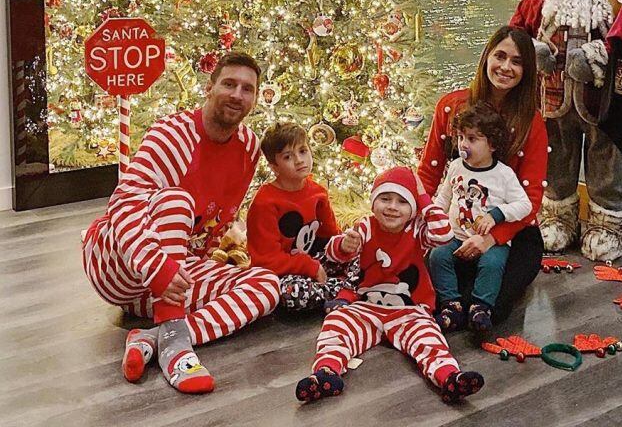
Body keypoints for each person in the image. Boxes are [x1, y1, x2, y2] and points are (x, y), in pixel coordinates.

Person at [81, 52, 280, 394]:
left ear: (255, 99)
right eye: (229, 84)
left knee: (266, 285)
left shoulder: (248, 147)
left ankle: (159, 336)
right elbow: (125, 204)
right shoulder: (172, 135)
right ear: (209, 87)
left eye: (247, 89)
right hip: (120, 262)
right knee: (176, 200)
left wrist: (181, 272)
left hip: (173, 273)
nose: (237, 94)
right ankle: (175, 350)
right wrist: (156, 269)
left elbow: (218, 222)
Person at [510, 0, 622, 261]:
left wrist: (599, 55)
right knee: (554, 161)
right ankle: (556, 218)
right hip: (553, 103)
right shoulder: (541, 2)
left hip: (604, 106)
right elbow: (515, 32)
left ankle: (609, 226)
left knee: (609, 164)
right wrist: (532, 50)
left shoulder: (619, 4)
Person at [295, 167, 485, 405]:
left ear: (413, 208)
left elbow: (444, 234)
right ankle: (326, 373)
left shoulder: (417, 230)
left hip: (409, 310)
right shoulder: (366, 226)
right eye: (385, 199)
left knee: (428, 338)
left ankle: (449, 377)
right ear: (373, 203)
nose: (393, 207)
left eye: (402, 201)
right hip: (366, 308)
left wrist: (423, 197)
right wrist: (344, 245)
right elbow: (333, 254)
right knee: (336, 324)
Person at [417, 25, 548, 323]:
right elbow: (428, 173)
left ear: (526, 71)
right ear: (486, 57)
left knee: (491, 307)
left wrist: (493, 239)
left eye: (516, 61)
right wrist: (423, 222)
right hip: (456, 227)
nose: (506, 67)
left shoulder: (532, 123)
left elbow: (531, 199)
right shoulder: (451, 107)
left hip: (511, 229)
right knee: (434, 292)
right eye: (499, 56)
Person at [430, 103, 533, 332]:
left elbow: (524, 205)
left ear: (492, 144)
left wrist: (497, 215)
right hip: (456, 237)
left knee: (493, 263)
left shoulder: (503, 174)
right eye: (461, 138)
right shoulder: (456, 166)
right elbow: (443, 198)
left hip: (490, 243)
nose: (463, 145)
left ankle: (481, 307)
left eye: (473, 139)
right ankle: (451, 305)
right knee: (437, 256)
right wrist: (435, 220)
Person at [246, 121, 357, 311]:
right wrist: (309, 267)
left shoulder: (318, 192)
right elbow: (266, 260)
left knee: (363, 256)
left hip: (315, 262)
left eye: (303, 151)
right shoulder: (265, 202)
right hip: (282, 272)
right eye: (288, 156)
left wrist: (344, 246)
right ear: (274, 166)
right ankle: (344, 291)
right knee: (291, 293)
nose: (299, 160)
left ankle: (339, 290)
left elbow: (329, 238)